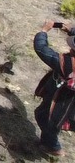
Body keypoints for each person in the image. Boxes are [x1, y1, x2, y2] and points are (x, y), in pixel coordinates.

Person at [35, 21, 75, 158]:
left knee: (47, 119)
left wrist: (43, 31)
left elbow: (41, 49)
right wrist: (72, 30)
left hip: (62, 101)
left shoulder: (67, 64)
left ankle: (53, 147)